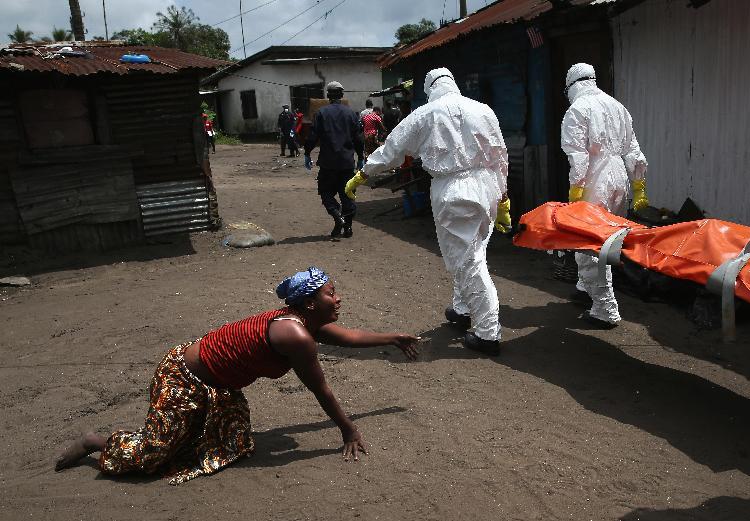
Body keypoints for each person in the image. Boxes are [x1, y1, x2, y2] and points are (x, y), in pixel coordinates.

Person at [54, 267, 420, 484]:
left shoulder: (301, 322)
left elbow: (350, 338)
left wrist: (393, 337)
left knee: (231, 445)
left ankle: (191, 430)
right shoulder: (295, 335)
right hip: (184, 379)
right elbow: (319, 388)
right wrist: (349, 429)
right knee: (151, 456)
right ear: (310, 303)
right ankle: (95, 441)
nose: (338, 299)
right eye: (330, 294)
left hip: (218, 385)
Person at [344, 68, 511, 356]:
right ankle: (462, 309)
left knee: (467, 261)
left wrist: (363, 173)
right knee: (473, 252)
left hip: (454, 191)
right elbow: (501, 155)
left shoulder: (426, 114)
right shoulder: (483, 110)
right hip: (487, 188)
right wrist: (504, 198)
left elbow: (392, 149)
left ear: (429, 88)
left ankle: (487, 332)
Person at [561, 62, 649, 329]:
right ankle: (584, 289)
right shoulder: (618, 107)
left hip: (594, 179)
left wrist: (576, 191)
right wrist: (639, 187)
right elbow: (634, 151)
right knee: (609, 239)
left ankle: (605, 309)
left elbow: (578, 157)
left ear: (572, 85)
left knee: (589, 244)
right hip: (619, 176)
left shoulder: (577, 110)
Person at [304, 82, 365, 239]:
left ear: (328, 96)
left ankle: (337, 216)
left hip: (328, 163)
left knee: (325, 191)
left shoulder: (321, 113)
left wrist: (307, 153)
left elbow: (312, 136)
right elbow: (359, 138)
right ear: (341, 95)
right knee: (347, 193)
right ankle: (348, 227)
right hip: (346, 162)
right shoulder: (352, 114)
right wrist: (360, 158)